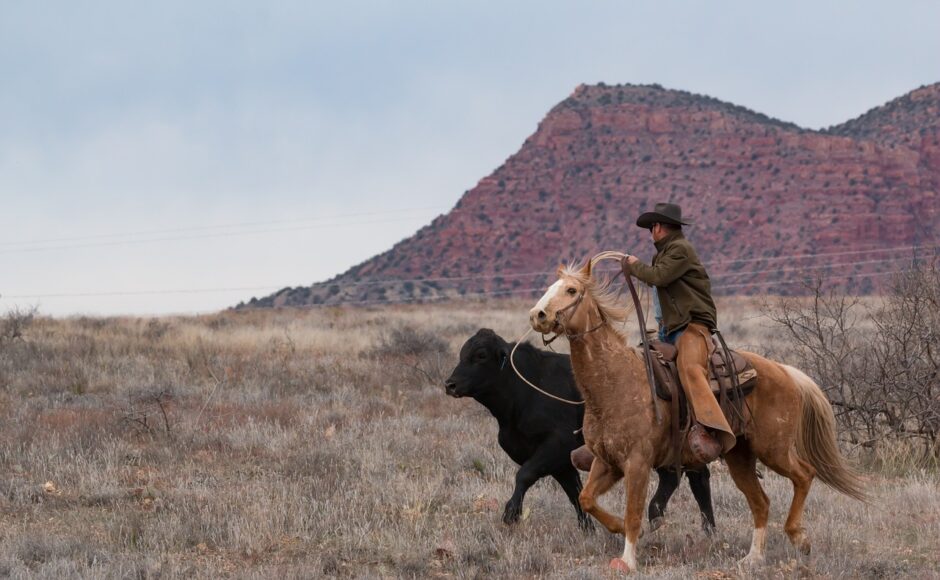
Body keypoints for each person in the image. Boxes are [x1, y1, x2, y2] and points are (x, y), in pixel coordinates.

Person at [622, 203, 735, 462]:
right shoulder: (666, 252)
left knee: (689, 369)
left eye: (652, 227)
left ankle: (711, 430)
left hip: (693, 325)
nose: (651, 232)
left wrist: (634, 266)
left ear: (659, 227)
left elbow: (658, 277)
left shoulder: (680, 250)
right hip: (669, 329)